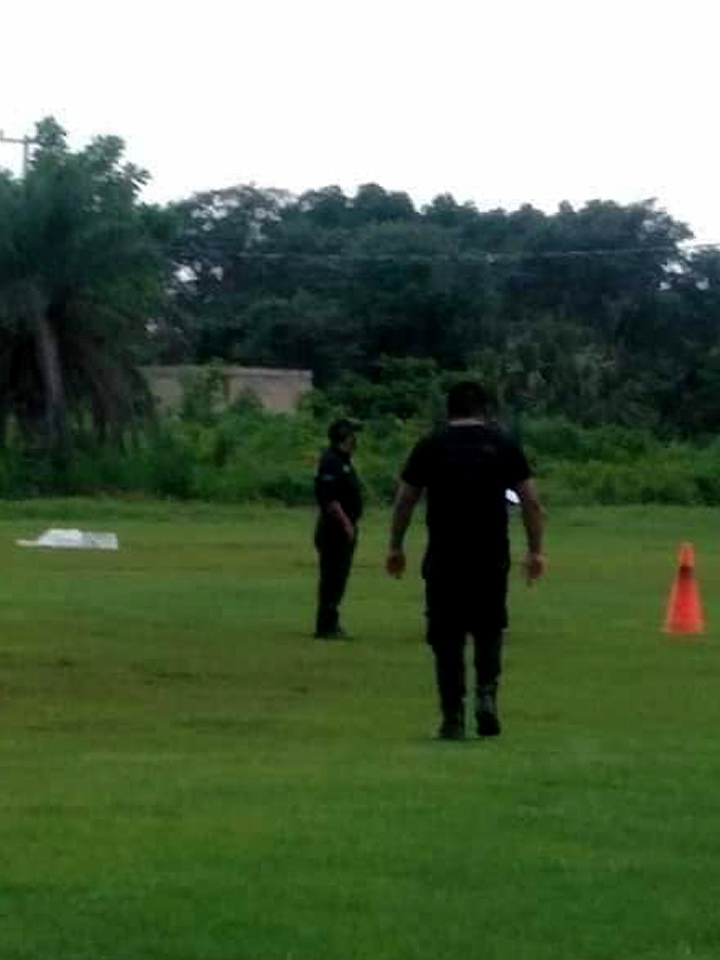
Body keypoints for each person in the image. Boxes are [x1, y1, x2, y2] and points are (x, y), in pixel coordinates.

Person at [386, 381, 544, 739]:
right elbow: (531, 502)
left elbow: (405, 500)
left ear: (449, 410)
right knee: (489, 628)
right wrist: (535, 550)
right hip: (490, 554)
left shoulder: (431, 445)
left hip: (445, 555)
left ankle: (453, 715)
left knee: (447, 635)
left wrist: (396, 545)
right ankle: (486, 695)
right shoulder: (503, 444)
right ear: (485, 410)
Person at [313, 418, 363, 640]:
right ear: (346, 437)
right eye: (353, 434)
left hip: (342, 527)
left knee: (338, 577)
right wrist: (346, 524)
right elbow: (331, 501)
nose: (356, 439)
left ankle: (330, 622)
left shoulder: (343, 460)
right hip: (334, 529)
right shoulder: (331, 461)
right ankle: (326, 626)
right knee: (332, 578)